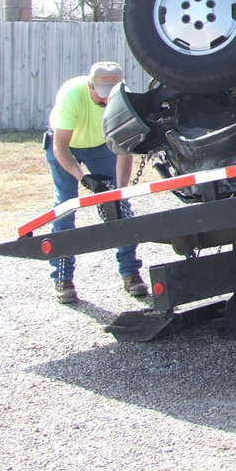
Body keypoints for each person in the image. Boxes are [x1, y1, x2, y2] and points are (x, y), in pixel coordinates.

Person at [44, 61, 145, 304]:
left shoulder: (123, 99)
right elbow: (60, 147)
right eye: (101, 97)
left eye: (109, 97)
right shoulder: (72, 96)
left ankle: (131, 273)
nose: (105, 102)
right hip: (67, 149)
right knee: (66, 208)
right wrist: (84, 178)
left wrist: (120, 191)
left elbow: (124, 152)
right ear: (90, 86)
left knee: (121, 208)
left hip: (102, 147)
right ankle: (63, 277)